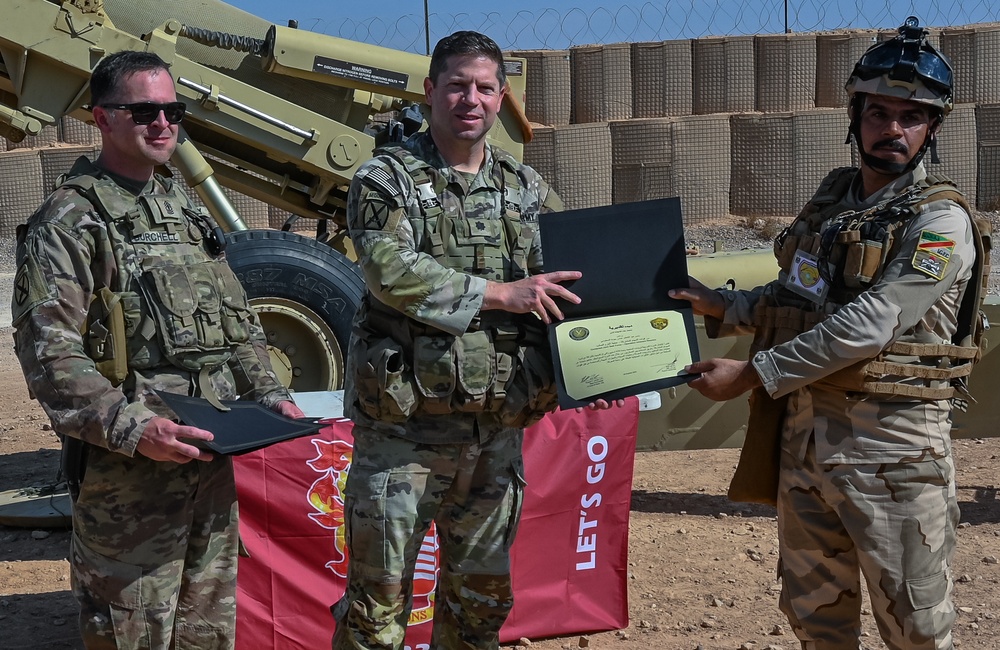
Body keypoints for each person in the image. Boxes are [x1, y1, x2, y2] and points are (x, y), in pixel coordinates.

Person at [671, 17, 990, 650]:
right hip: (808, 446)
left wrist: (754, 374)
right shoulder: (836, 202)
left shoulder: (940, 222)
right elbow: (801, 298)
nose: (892, 129)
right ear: (856, 115)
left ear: (932, 128)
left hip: (894, 455)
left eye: (911, 116)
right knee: (816, 620)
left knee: (916, 630)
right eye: (878, 113)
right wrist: (723, 307)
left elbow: (870, 324)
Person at [332, 30, 617, 650]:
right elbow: (388, 271)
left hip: (494, 438)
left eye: (485, 87)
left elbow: (573, 284)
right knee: (376, 612)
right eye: (457, 84)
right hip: (403, 439)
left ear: (501, 98)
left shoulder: (527, 190)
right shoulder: (387, 179)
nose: (471, 98)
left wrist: (610, 354)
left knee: (480, 608)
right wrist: (501, 293)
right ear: (431, 90)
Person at [9, 50, 302, 648]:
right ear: (102, 119)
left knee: (207, 632)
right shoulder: (70, 221)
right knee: (132, 634)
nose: (163, 124)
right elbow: (51, 353)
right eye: (144, 111)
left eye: (173, 110)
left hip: (209, 466)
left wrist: (270, 395)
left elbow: (237, 320)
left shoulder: (183, 210)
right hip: (130, 482)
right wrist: (135, 430)